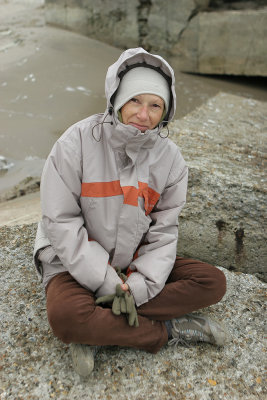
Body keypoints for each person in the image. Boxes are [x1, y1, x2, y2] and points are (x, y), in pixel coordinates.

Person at [34, 47, 227, 377]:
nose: (144, 114)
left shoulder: (172, 161)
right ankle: (169, 330)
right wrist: (105, 280)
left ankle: (96, 328)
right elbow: (61, 221)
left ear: (165, 111)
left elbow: (163, 232)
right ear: (117, 99)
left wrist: (139, 284)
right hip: (72, 262)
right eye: (135, 100)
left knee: (213, 283)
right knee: (65, 317)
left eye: (155, 105)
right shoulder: (74, 143)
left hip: (132, 259)